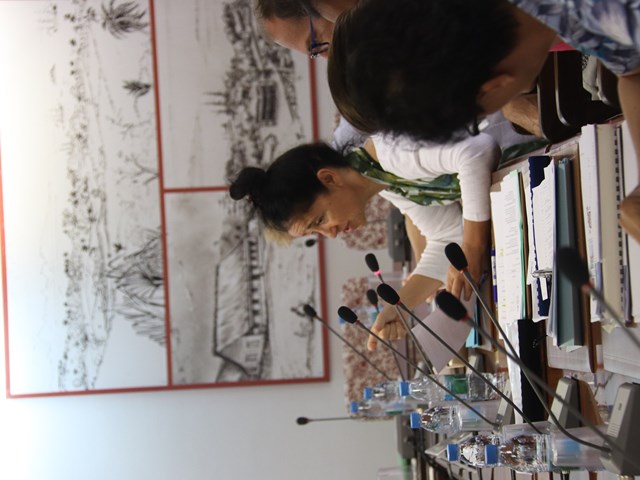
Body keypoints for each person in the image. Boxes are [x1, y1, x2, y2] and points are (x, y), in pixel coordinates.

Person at [327, 0, 640, 243]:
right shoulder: (553, 17)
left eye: (475, 119)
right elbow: (630, 72)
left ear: (493, 86)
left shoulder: (613, 15)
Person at [229, 134, 500, 350]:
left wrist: (473, 245)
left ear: (329, 178)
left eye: (320, 220)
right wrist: (399, 306)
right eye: (317, 232)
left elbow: (476, 152)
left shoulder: (391, 152)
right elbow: (447, 236)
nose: (331, 233)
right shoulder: (385, 181)